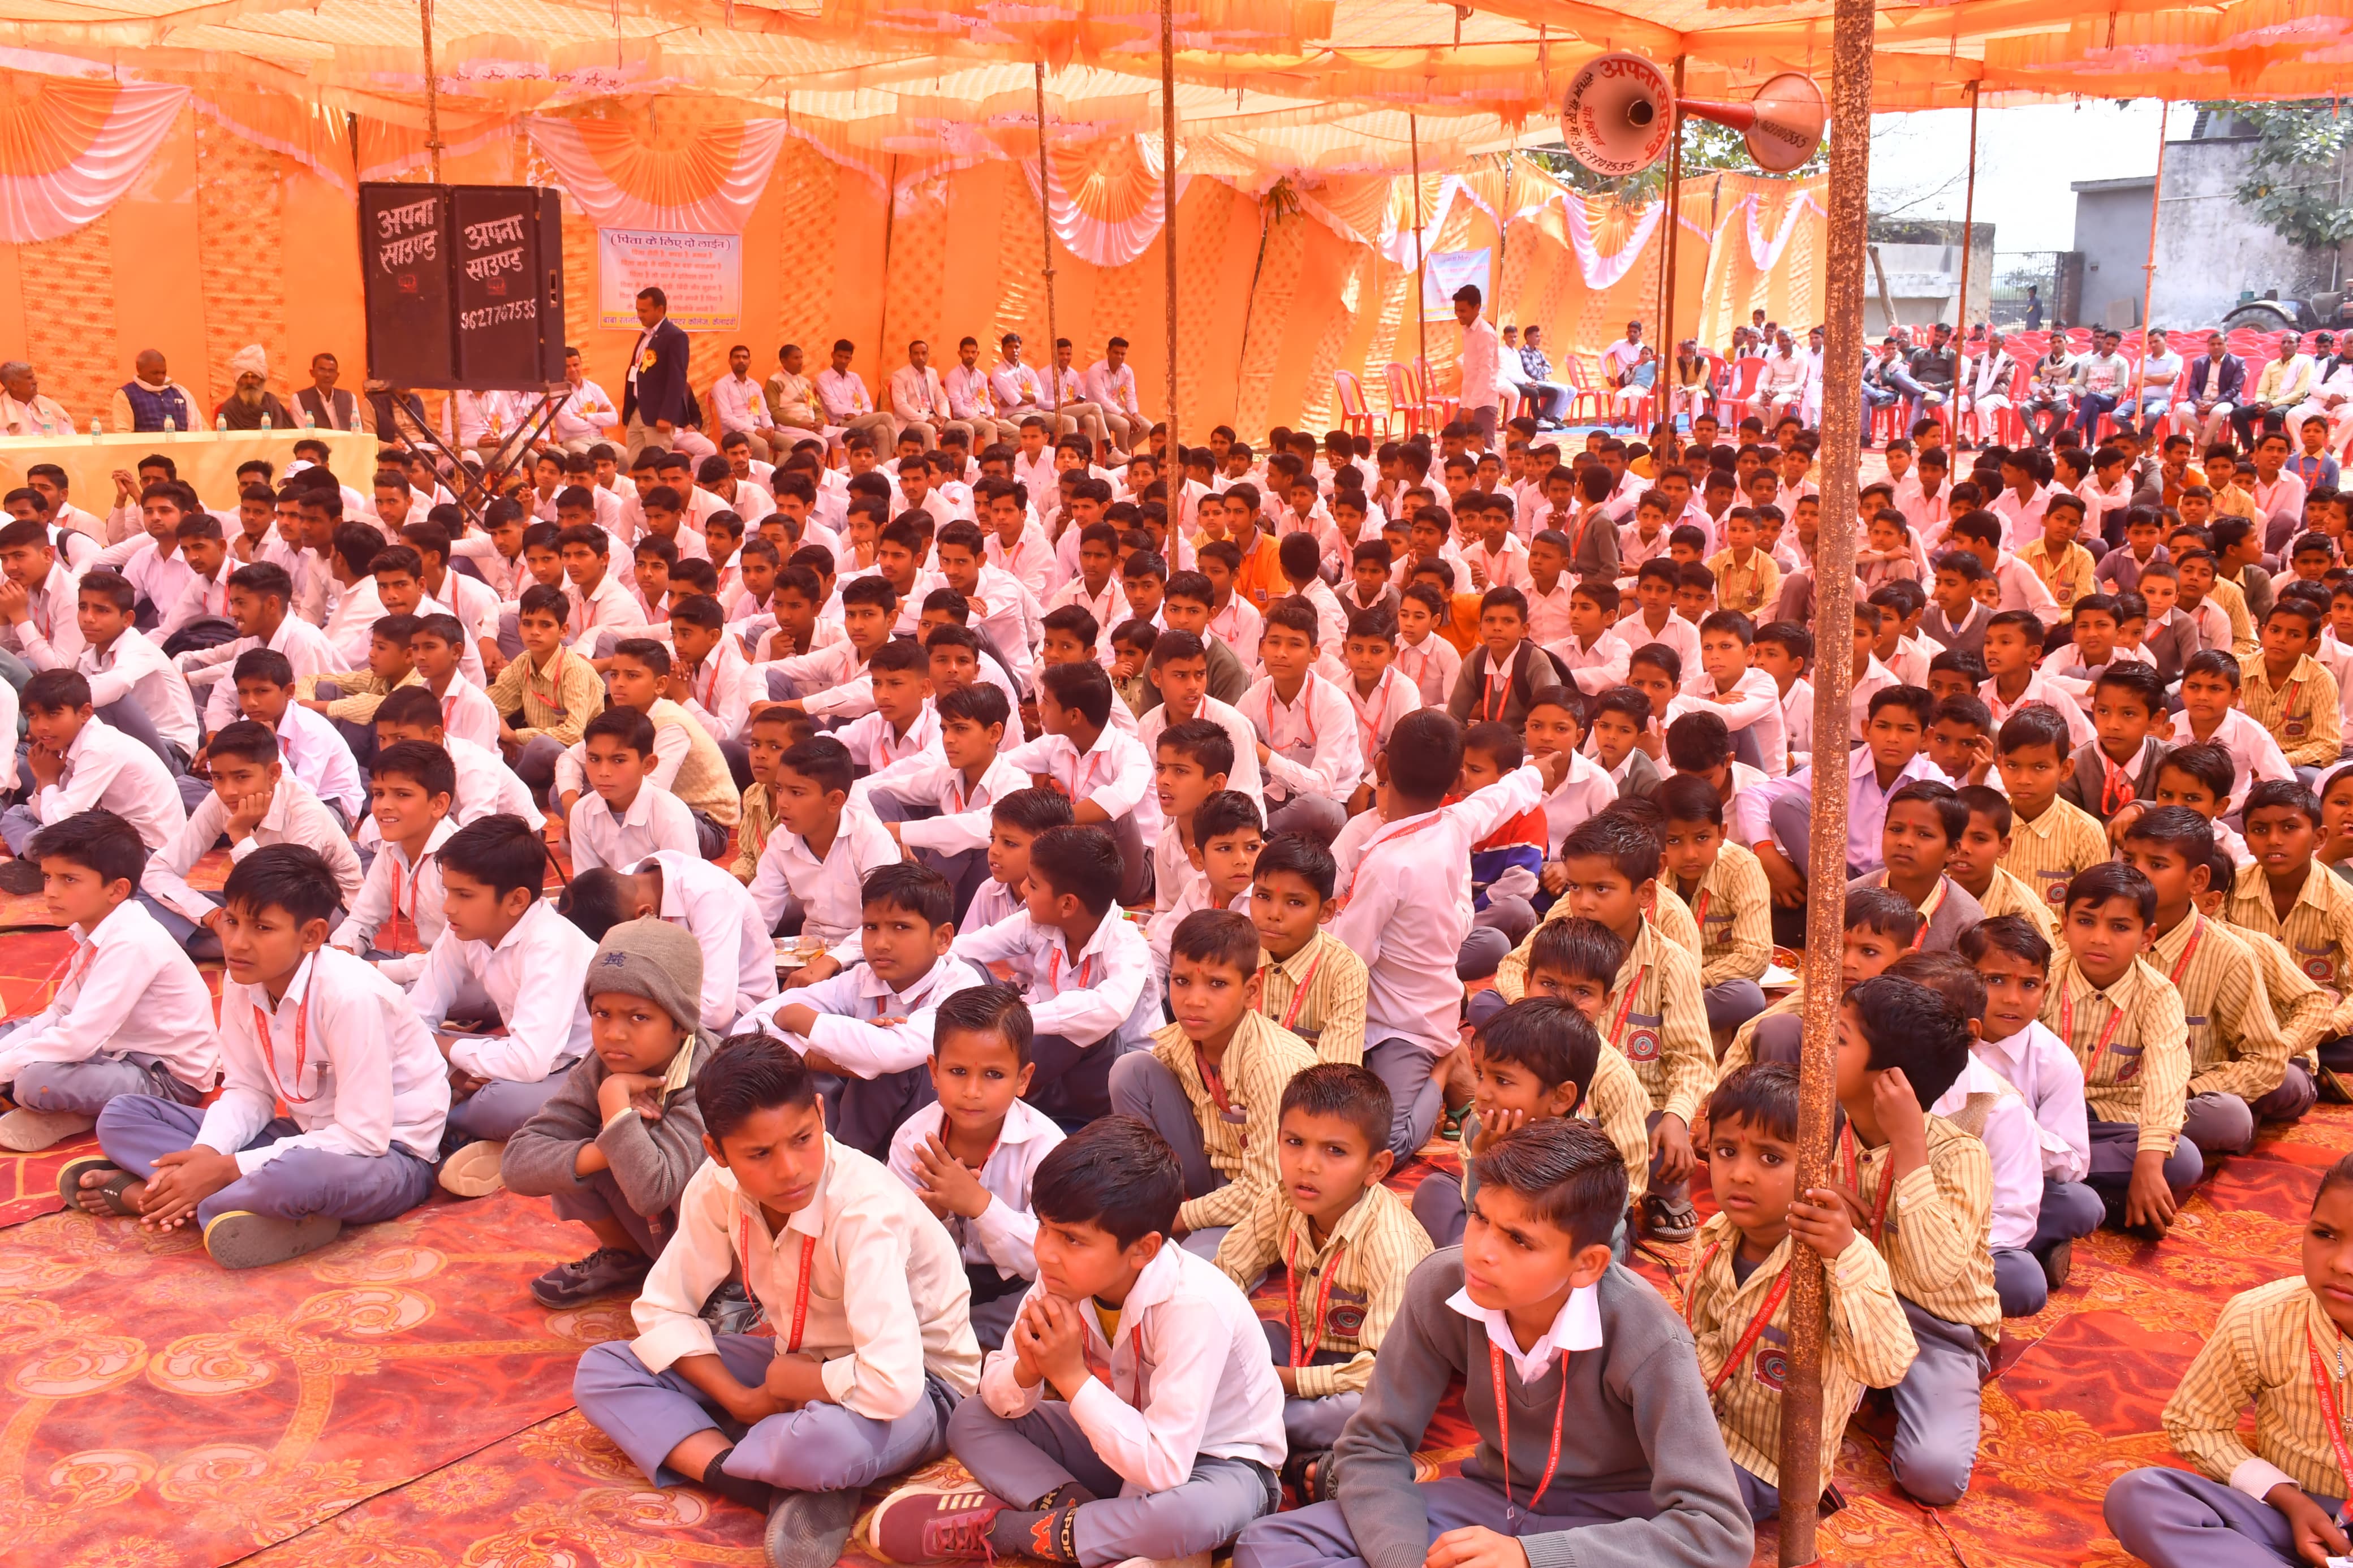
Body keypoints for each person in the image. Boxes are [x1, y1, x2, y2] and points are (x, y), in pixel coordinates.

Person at [1231, 1117, 1754, 1568]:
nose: (1481, 1251)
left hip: (1605, 1528)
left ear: (1587, 1263)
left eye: (1519, 1240)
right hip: (1490, 1499)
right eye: (1481, 1217)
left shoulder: (1648, 1335)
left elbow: (1718, 1531)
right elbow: (1373, 1445)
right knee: (1267, 1545)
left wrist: (1533, 1557)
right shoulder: (1442, 1284)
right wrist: (1404, 1559)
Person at [572, 1033, 982, 1568]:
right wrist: (743, 1400)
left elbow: (893, 1383)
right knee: (603, 1368)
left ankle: (786, 1459)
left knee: (819, 1444)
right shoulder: (716, 1185)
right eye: (759, 1153)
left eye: (802, 1138)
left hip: (923, 1388)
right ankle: (765, 1484)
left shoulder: (866, 1209)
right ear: (716, 1150)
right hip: (799, 1360)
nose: (789, 1169)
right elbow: (662, 1307)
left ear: (819, 1112)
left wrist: (799, 1385)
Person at [871, 1115, 1287, 1568]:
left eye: (1072, 1238)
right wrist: (1028, 1370)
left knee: (1187, 1516)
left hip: (1222, 1466)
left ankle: (1011, 1532)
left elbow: (1166, 1466)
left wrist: (1070, 1376)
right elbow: (999, 1391)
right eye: (1044, 1226)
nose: (1046, 1251)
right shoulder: (1061, 1277)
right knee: (972, 1417)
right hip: (1123, 1435)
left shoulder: (1194, 1305)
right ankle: (1090, 1523)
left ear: (1143, 1249)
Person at [66, 845, 449, 1268]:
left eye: (262, 928)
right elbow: (248, 1090)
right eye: (231, 921)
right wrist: (208, 1154)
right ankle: (208, 1198)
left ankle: (146, 1195)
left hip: (387, 1156)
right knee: (122, 1116)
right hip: (300, 1134)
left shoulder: (350, 996)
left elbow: (363, 1138)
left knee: (297, 1176)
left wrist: (228, 1167)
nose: (237, 943)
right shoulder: (242, 980)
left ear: (312, 935)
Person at [1690, 1061, 1917, 1520]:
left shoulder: (1838, 1261)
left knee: (1668, 1502)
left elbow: (1886, 1366)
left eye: (1770, 1157)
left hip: (1770, 1466)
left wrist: (1845, 1255)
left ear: (1823, 1167)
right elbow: (1700, 1337)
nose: (1741, 1174)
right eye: (1727, 1150)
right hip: (1703, 1429)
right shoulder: (1714, 1238)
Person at [2104, 1152, 2353, 1568]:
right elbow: (2194, 1422)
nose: (2342, 1264)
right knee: (2140, 1497)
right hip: (2293, 1512)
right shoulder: (2261, 1317)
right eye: (2325, 1234)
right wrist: (2287, 1499)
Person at [1217, 1061, 1426, 1493]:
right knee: (1228, 1337)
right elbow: (1229, 1270)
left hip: (1371, 1378)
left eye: (1335, 1151)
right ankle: (1309, 1462)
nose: (1307, 1165)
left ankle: (1249, 1437)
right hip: (1303, 1350)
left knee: (1343, 1412)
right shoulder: (1285, 1199)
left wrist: (1286, 1381)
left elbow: (1384, 1370)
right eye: (1294, 1142)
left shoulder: (1391, 1243)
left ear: (1377, 1166)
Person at [500, 917, 719, 1308]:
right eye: (603, 1013)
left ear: (681, 1023)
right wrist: (610, 1128)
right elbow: (517, 1162)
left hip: (726, 1244)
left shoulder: (711, 1073)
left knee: (671, 1173)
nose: (614, 1033)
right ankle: (630, 1256)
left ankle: (719, 1287)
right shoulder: (603, 1066)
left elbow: (655, 1189)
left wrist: (614, 1104)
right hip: (659, 1226)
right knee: (579, 1157)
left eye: (638, 1017)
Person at [0, 810, 216, 1152]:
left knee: (34, 1081)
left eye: (69, 880)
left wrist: (6, 1068)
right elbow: (59, 1014)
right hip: (109, 1048)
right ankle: (72, 1102)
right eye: (47, 877)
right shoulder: (91, 929)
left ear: (117, 890)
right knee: (14, 1035)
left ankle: (74, 1110)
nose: (51, 892)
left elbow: (79, 1037)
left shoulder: (132, 942)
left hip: (163, 1078)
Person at [1110, 908, 1319, 1260]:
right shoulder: (1180, 1041)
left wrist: (1177, 1218)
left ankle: (1183, 1228)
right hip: (1216, 1170)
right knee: (1132, 1071)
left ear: (1252, 991)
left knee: (1187, 1272)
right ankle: (1151, 1200)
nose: (1194, 1000)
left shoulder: (1272, 1065)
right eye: (1182, 981)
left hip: (1273, 1199)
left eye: (1217, 984)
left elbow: (1267, 1189)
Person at [405, 814, 599, 1194]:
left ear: (516, 901)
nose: (448, 907)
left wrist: (445, 1050)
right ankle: (477, 1132)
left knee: (502, 1103)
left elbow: (530, 1063)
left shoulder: (550, 944)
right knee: (387, 1028)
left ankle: (456, 1127)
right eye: (448, 891)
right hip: (515, 1058)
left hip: (578, 1070)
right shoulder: (463, 929)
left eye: (464, 895)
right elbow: (415, 1017)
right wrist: (455, 1067)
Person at [740, 861, 988, 1158]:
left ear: (943, 939)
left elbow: (892, 1052)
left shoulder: (961, 986)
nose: (881, 943)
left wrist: (797, 1018)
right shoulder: (861, 979)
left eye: (901, 927)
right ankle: (833, 1154)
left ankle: (846, 1158)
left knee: (902, 1067)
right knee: (783, 1067)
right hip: (868, 1113)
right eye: (871, 927)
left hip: (939, 1122)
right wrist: (820, 1057)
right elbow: (749, 1027)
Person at [886, 984, 1064, 1351]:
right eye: (957, 1070)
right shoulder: (912, 1140)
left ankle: (957, 1347)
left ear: (1023, 1079)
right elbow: (889, 1242)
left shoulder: (1044, 1145)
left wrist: (980, 1205)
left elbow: (1051, 1255)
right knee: (891, 1301)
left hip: (1018, 1285)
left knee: (1052, 1306)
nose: (971, 1090)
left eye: (994, 1075)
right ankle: (960, 1347)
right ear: (934, 1071)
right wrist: (932, 1217)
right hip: (938, 1282)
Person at [951, 825, 1157, 1122]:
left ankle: (995, 1091)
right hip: (1046, 1062)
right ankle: (997, 1082)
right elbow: (964, 948)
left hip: (1108, 1078)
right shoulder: (1036, 922)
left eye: (1033, 886)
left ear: (1068, 904)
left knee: (1079, 1020)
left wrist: (1015, 1020)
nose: (1023, 890)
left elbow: (1112, 1008)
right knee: (967, 968)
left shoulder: (1127, 944)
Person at [2044, 861, 2201, 1236]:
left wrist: (2148, 1164)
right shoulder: (2044, 976)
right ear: (2064, 924)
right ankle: (2108, 1203)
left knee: (2184, 1162)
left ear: (2147, 937)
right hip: (2038, 1115)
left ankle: (2047, 1183)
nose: (2099, 938)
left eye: (2119, 927)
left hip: (2106, 1125)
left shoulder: (2158, 993)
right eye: (2086, 921)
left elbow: (2168, 1075)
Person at [140, 718, 364, 954]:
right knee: (139, 895)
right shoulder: (219, 801)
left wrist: (240, 834)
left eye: (242, 777)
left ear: (274, 774)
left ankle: (201, 942)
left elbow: (291, 897)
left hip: (320, 910)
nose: (228, 791)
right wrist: (214, 916)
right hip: (255, 906)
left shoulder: (305, 812)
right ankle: (220, 941)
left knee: (274, 930)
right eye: (218, 778)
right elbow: (159, 870)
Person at [622, 287, 693, 462]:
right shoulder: (645, 336)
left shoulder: (675, 336)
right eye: (638, 310)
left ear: (660, 310)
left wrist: (667, 415)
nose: (639, 315)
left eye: (644, 310)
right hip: (637, 410)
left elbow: (677, 379)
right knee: (634, 462)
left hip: (658, 415)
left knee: (658, 465)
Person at [1454, 284, 1504, 447]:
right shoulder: (1466, 329)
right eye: (1457, 310)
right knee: (1453, 445)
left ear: (1476, 308)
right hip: (1467, 400)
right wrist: (1467, 404)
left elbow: (1485, 372)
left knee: (1485, 450)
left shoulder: (1485, 333)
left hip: (1483, 401)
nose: (1458, 315)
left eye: (1463, 311)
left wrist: (1472, 406)